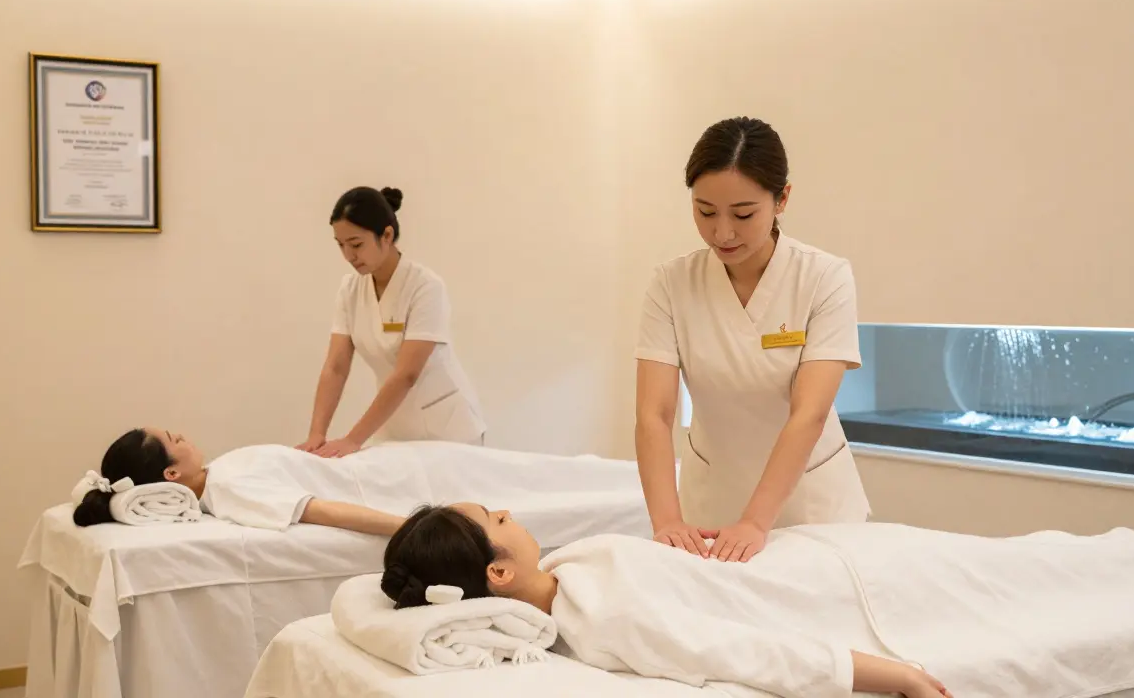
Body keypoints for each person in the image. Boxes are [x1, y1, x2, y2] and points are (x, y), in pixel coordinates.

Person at [380, 503, 956, 698]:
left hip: (799, 557)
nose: (510, 511)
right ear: (499, 570)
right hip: (829, 589)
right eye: (498, 517)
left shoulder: (564, 571)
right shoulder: (607, 619)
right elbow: (742, 649)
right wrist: (892, 675)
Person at [634, 117, 869, 563]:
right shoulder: (671, 283)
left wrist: (757, 522)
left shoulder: (823, 277)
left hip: (811, 501)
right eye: (705, 211)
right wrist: (665, 521)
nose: (722, 233)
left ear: (782, 199)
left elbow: (809, 413)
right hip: (711, 502)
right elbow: (655, 414)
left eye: (743, 214)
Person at [297, 186, 485, 458]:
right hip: (394, 428)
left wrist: (352, 440)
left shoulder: (425, 286)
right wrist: (316, 435)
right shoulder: (350, 289)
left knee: (450, 502)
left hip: (448, 430)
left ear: (386, 235)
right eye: (341, 245)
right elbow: (336, 367)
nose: (349, 256)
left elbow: (406, 374)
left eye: (356, 244)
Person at [72, 427, 404, 535]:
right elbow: (323, 511)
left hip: (373, 463)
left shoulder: (216, 474)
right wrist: (413, 526)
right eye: (175, 440)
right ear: (171, 475)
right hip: (384, 480)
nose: (184, 436)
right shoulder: (229, 489)